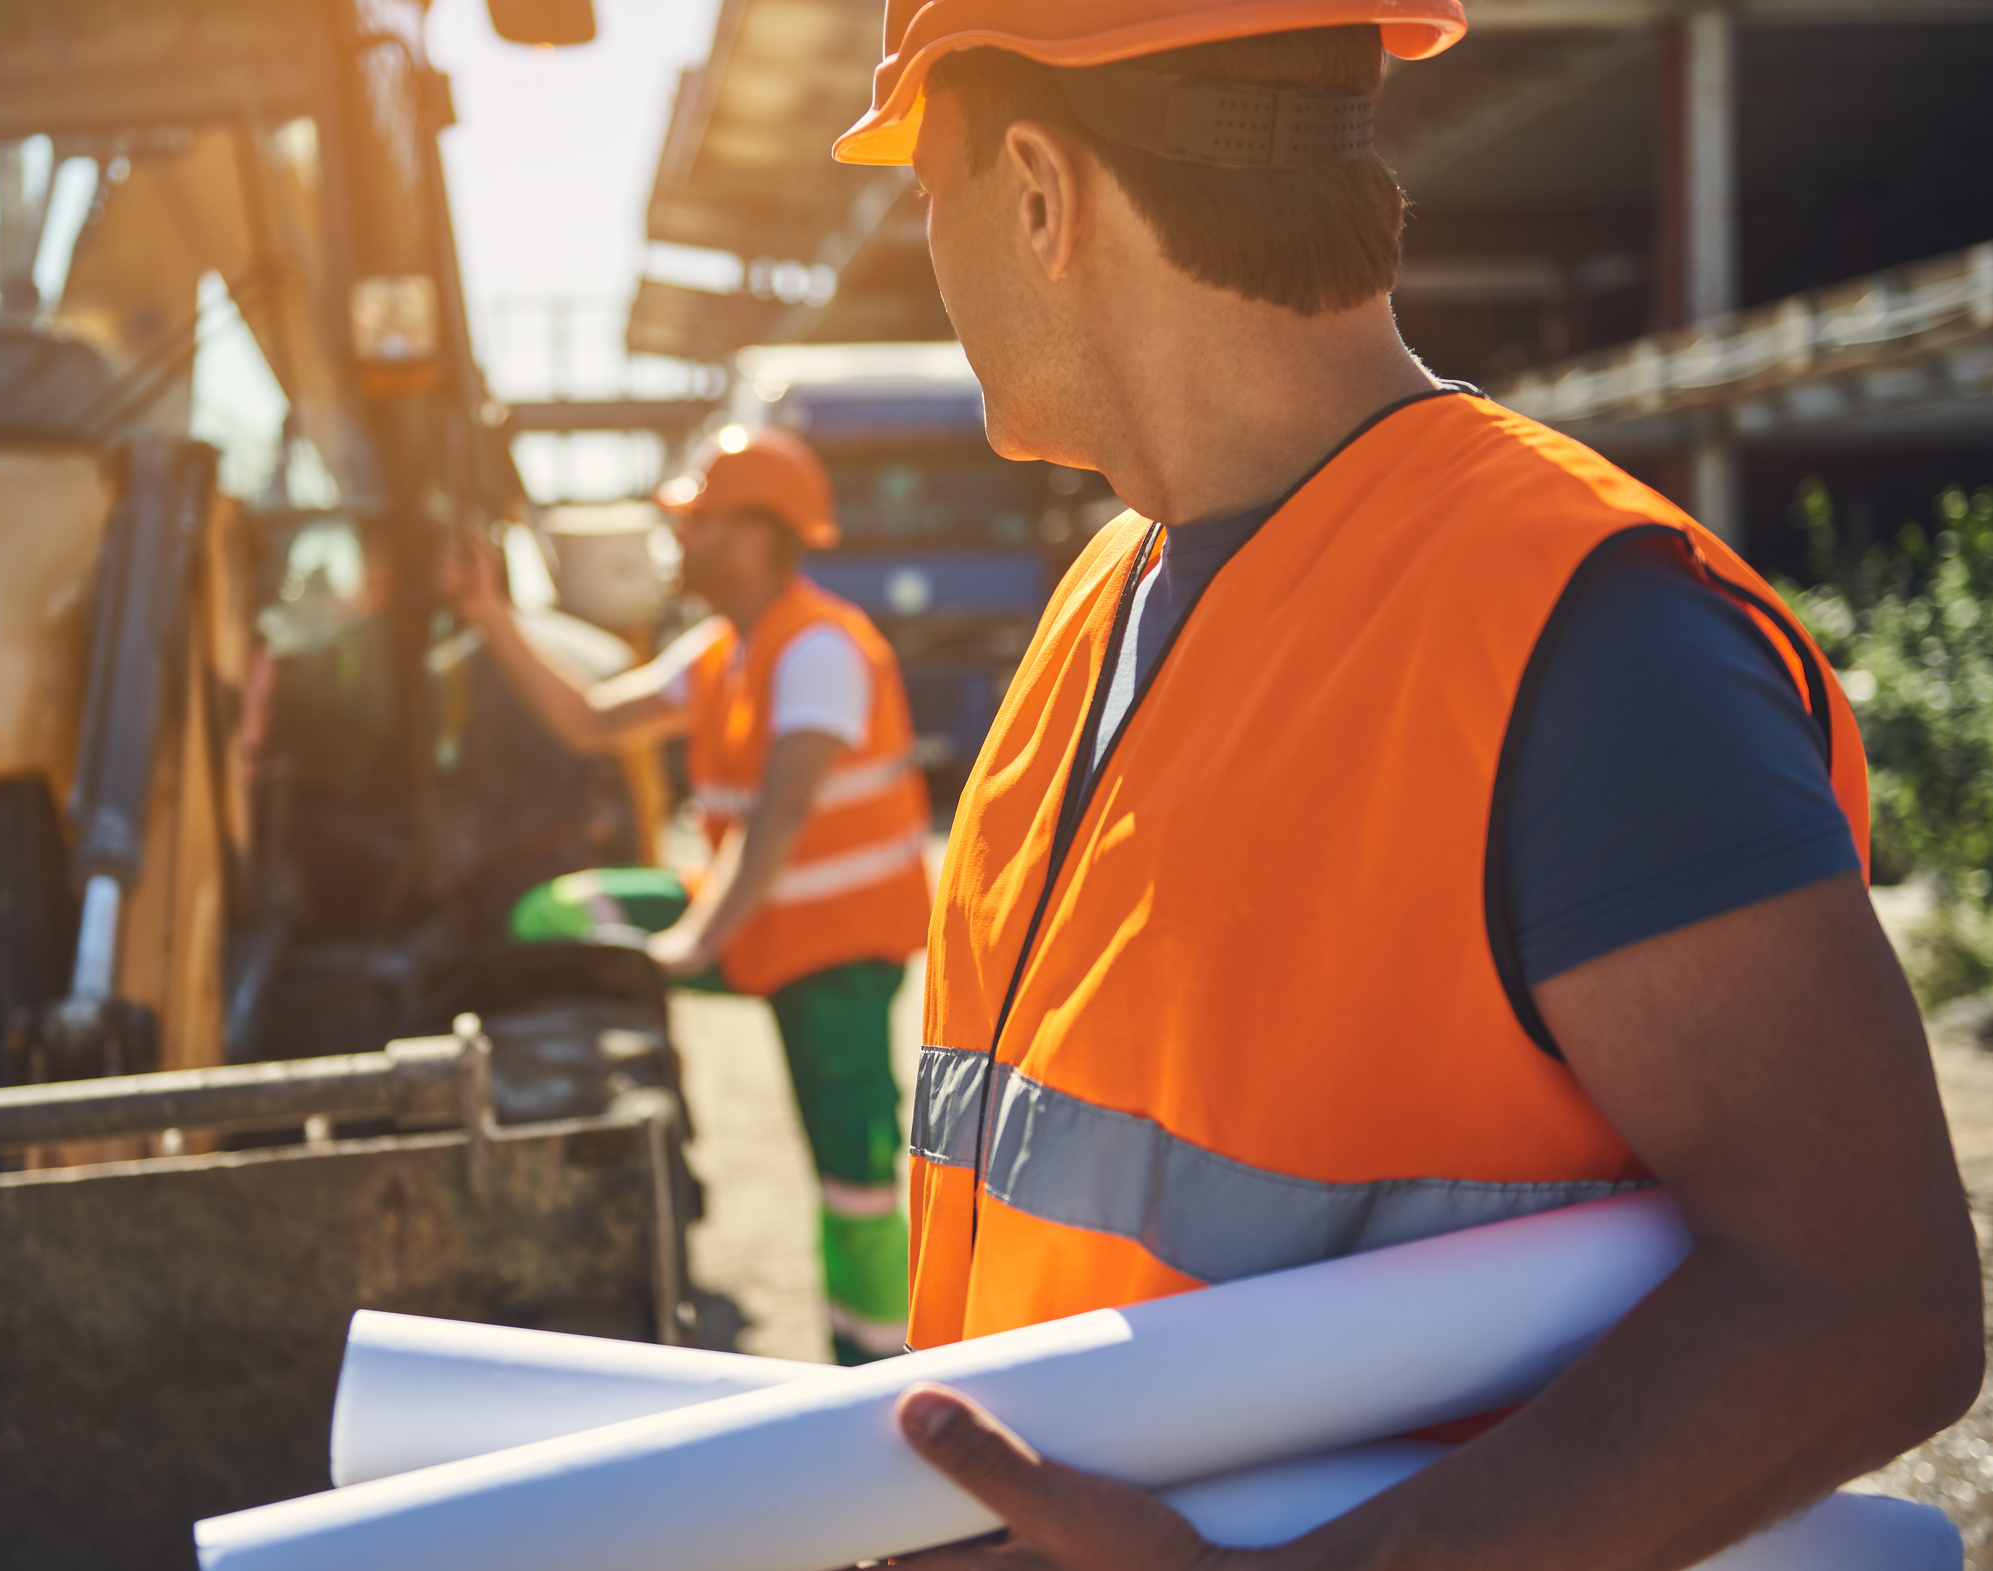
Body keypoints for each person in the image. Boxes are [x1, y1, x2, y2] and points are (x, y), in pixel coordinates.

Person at [818, 2, 1984, 1566]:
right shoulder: (1102, 602)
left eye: (925, 192)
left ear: (1038, 190)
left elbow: (1868, 1294)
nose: (930, 255)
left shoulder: (1591, 641)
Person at [441, 425, 933, 1366]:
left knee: (855, 1175)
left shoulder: (818, 649)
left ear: (757, 537)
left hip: (834, 954)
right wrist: (491, 616)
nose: (680, 538)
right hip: (754, 924)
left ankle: (880, 1365)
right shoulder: (722, 650)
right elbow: (591, 720)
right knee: (560, 916)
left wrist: (694, 939)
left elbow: (779, 817)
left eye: (699, 521)